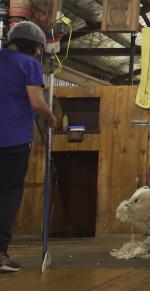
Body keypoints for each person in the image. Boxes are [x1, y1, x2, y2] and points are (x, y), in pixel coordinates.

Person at [0, 21, 56, 272]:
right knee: (7, 195)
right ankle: (0, 254)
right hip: (12, 141)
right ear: (33, 47)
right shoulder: (29, 64)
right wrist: (52, 118)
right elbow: (36, 101)